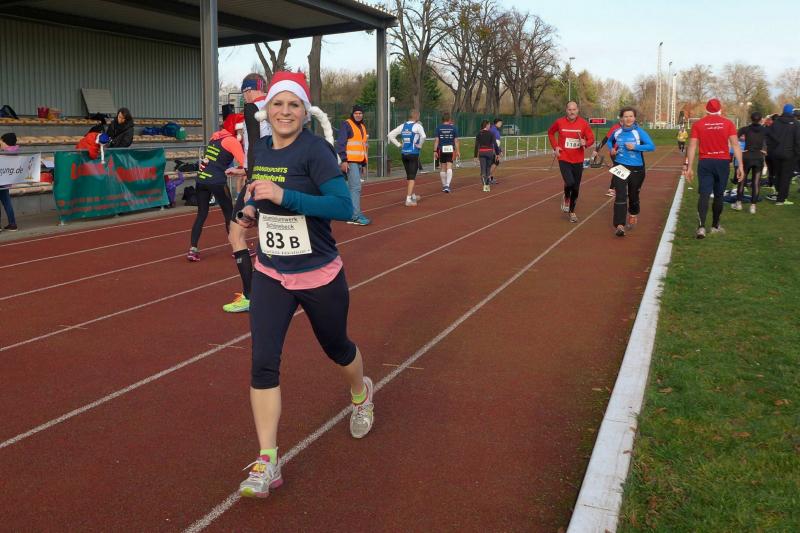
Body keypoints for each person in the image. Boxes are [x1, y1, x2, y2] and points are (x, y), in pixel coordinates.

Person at [233, 71, 374, 499]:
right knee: (263, 361)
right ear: (267, 109)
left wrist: (284, 197)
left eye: (293, 105)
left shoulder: (315, 151)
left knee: (337, 348)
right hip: (271, 272)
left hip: (318, 273)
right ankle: (267, 459)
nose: (285, 112)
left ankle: (360, 393)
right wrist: (249, 211)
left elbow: (343, 206)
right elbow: (255, 192)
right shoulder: (259, 148)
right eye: (278, 104)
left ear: (305, 112)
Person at [223, 72, 272, 313]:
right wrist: (243, 170)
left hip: (258, 180)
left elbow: (255, 147)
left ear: (248, 90)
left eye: (244, 92)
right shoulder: (274, 108)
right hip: (274, 177)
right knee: (268, 235)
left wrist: (250, 181)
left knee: (237, 235)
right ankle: (267, 291)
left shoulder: (253, 108)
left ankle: (252, 294)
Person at [186, 116, 245, 261]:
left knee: (201, 214)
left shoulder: (215, 137)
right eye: (242, 130)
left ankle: (193, 249)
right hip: (217, 181)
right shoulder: (231, 141)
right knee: (230, 214)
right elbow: (245, 164)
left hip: (201, 179)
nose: (243, 132)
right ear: (236, 129)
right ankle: (237, 249)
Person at [684, 98, 743, 238]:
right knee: (719, 195)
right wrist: (740, 165)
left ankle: (701, 228)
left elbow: (692, 146)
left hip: (705, 162)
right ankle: (715, 226)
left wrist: (689, 167)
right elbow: (735, 145)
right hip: (722, 163)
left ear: (706, 110)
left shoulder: (698, 124)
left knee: (704, 194)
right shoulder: (728, 123)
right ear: (720, 109)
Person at [606, 107, 655, 236]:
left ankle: (633, 213)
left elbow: (651, 146)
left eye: (631, 116)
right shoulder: (617, 132)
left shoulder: (639, 132)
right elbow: (609, 141)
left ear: (634, 118)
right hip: (620, 166)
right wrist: (612, 150)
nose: (628, 119)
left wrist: (635, 147)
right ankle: (619, 225)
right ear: (621, 118)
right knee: (620, 194)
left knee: (633, 195)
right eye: (626, 116)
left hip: (637, 168)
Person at [547, 101, 595, 222]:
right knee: (569, 182)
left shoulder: (583, 123)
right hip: (564, 157)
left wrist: (586, 142)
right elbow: (551, 132)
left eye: (574, 109)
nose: (572, 112)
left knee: (576, 187)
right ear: (566, 110)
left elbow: (591, 138)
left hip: (578, 159)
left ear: (577, 110)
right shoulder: (559, 122)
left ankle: (572, 211)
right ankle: (566, 197)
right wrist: (555, 147)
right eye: (569, 109)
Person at [336, 104, 371, 225]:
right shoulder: (347, 124)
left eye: (360, 113)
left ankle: (353, 213)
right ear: (352, 114)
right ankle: (355, 216)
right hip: (350, 161)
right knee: (356, 187)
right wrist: (344, 160)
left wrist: (364, 164)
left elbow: (362, 146)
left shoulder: (362, 126)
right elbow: (341, 143)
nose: (358, 115)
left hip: (358, 161)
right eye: (356, 113)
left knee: (352, 187)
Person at [388, 109, 426, 206]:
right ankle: (408, 200)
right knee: (412, 177)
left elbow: (390, 135)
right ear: (416, 116)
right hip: (413, 154)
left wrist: (399, 145)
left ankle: (412, 195)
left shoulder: (403, 126)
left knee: (409, 176)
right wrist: (420, 145)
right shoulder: (418, 126)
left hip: (404, 154)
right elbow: (423, 136)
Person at [764, 104, 800, 206]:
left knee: (778, 174)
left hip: (776, 153)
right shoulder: (796, 123)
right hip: (789, 154)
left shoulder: (776, 122)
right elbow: (798, 140)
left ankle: (778, 193)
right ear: (792, 112)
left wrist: (771, 149)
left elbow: (768, 136)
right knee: (785, 176)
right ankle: (781, 199)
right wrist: (797, 154)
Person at [733, 113, 765, 213]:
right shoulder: (764, 129)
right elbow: (775, 140)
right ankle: (753, 206)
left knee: (742, 180)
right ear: (761, 120)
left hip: (747, 156)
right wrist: (764, 149)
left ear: (751, 119)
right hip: (758, 157)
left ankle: (739, 203)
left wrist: (740, 148)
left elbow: (734, 138)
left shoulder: (745, 129)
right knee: (756, 182)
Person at [593, 120, 622, 196]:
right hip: (614, 153)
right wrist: (596, 150)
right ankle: (612, 189)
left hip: (625, 154)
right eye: (624, 117)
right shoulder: (615, 127)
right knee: (618, 169)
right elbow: (605, 139)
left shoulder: (631, 128)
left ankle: (615, 189)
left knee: (620, 169)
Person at [433, 112, 460, 193]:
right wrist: (458, 151)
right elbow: (456, 141)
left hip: (441, 149)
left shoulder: (438, 128)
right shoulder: (454, 128)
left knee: (443, 167)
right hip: (450, 149)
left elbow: (436, 140)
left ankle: (444, 185)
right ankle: (447, 185)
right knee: (449, 166)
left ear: (442, 119)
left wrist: (435, 151)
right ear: (449, 119)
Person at [0, 132, 20, 231]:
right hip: (6, 181)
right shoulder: (14, 151)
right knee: (7, 203)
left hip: (2, 180)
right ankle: (12, 224)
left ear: (6, 142)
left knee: (7, 202)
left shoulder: (4, 153)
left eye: (1, 142)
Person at [474, 120, 501, 191]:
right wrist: (497, 154)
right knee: (488, 169)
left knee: (483, 170)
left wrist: (475, 156)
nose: (490, 126)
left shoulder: (479, 134)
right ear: (487, 125)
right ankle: (487, 185)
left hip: (482, 153)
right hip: (489, 153)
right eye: (489, 125)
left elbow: (476, 145)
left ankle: (485, 186)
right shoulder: (491, 133)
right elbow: (495, 144)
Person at [488, 118, 503, 184]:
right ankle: (487, 176)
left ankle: (490, 178)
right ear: (496, 123)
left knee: (495, 163)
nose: (501, 124)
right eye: (500, 123)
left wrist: (500, 150)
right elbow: (492, 141)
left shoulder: (496, 130)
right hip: (493, 149)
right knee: (496, 162)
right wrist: (495, 150)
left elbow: (497, 141)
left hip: (495, 149)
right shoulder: (492, 130)